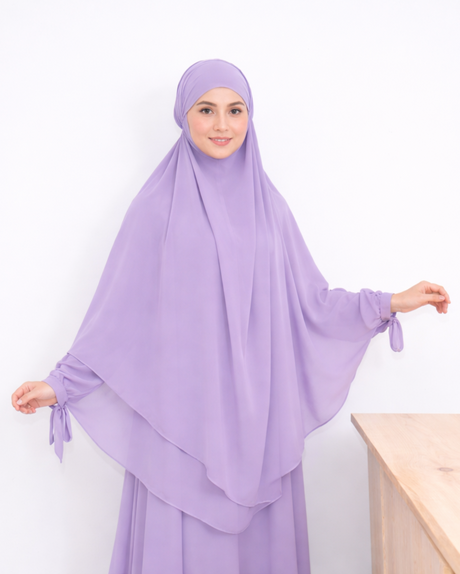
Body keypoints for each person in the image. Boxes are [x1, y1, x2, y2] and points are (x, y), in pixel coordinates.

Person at [11, 59, 450, 574]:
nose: (222, 124)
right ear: (184, 116)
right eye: (206, 110)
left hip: (258, 422)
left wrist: (391, 301)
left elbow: (310, 302)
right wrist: (60, 384)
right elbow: (118, 314)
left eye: (235, 110)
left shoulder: (270, 209)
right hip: (180, 422)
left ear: (249, 117)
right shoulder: (155, 209)